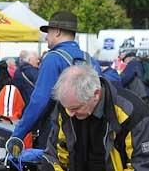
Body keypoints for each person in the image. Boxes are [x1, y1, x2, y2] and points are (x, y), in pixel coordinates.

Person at [13, 11, 99, 147]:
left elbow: (40, 101)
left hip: (57, 135)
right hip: (91, 133)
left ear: (57, 32)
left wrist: (17, 135)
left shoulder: (53, 59)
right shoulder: (90, 59)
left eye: (49, 32)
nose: (46, 37)